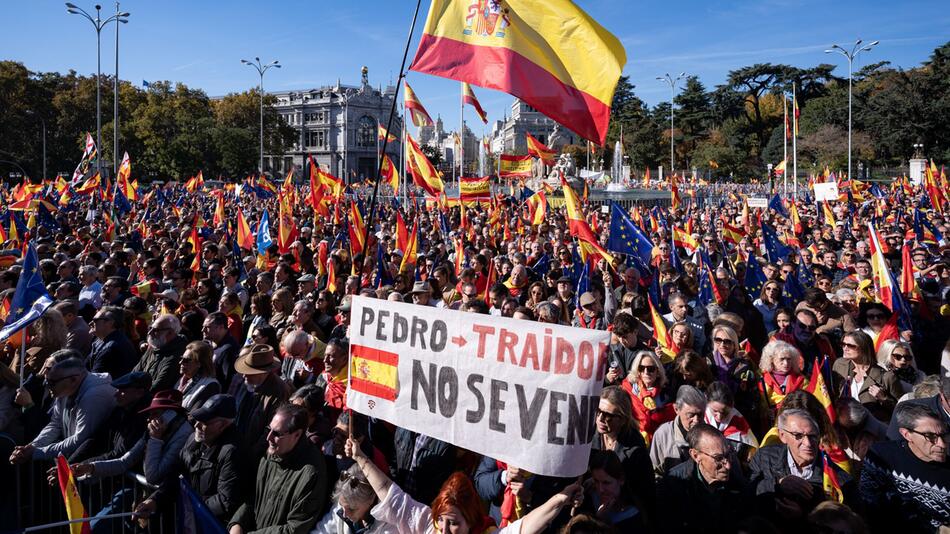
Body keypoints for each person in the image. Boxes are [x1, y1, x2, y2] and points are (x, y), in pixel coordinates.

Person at [345, 436, 584, 534]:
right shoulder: (427, 525)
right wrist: (360, 457)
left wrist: (561, 498)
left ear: (471, 520)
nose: (446, 530)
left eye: (455, 523)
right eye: (443, 520)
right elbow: (389, 492)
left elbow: (525, 528)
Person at [135, 394, 242, 526]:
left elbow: (224, 501)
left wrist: (188, 504)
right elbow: (176, 475)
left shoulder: (232, 452)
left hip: (210, 525)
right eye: (197, 419)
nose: (196, 425)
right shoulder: (194, 439)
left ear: (222, 425)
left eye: (204, 422)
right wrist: (155, 500)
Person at [228, 404, 328, 534]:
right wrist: (237, 523)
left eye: (276, 433)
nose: (268, 437)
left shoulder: (311, 474)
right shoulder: (271, 454)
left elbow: (295, 528)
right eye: (269, 429)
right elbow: (255, 496)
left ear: (297, 434)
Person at [748, 409, 851, 524]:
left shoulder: (840, 481)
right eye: (798, 435)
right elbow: (746, 496)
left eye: (812, 436)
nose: (808, 443)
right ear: (782, 436)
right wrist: (777, 484)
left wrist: (804, 517)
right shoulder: (764, 457)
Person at [8, 355, 116, 464]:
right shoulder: (65, 388)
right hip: (75, 461)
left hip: (94, 466)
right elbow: (56, 424)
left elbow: (79, 440)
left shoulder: (94, 396)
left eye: (52, 383)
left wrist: (36, 452)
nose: (48, 386)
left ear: (73, 379)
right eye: (46, 382)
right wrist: (32, 446)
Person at [860, 403, 949, 532]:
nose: (941, 444)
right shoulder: (881, 457)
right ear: (907, 434)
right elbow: (868, 504)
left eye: (943, 435)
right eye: (930, 436)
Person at [656, 423, 751, 533]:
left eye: (728, 455)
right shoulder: (673, 486)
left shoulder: (735, 474)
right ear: (696, 456)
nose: (727, 465)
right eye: (718, 458)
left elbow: (747, 513)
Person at [589, 386, 655, 520]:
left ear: (623, 419)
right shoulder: (589, 434)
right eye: (598, 411)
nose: (600, 418)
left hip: (624, 511)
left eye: (608, 415)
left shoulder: (635, 448)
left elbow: (644, 490)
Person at [832, 330, 901, 422]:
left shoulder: (886, 377)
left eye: (851, 346)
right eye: (843, 344)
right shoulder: (839, 364)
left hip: (873, 428)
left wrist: (884, 399)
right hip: (844, 423)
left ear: (864, 348)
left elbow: (901, 410)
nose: (845, 348)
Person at [311, 464, 398, 533]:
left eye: (352, 509)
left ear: (371, 500)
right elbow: (322, 531)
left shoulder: (390, 525)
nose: (344, 514)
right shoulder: (345, 504)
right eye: (341, 505)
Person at [649, 385, 706, 477]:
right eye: (691, 415)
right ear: (676, 409)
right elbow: (654, 472)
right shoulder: (663, 435)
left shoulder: (711, 436)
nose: (696, 420)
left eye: (700, 414)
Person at [582, 450, 646, 530]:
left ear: (621, 480)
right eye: (596, 482)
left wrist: (602, 522)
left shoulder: (632, 516)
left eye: (606, 483)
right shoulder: (587, 502)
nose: (601, 489)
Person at [620, 351, 674, 443]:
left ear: (658, 372)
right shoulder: (627, 391)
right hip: (632, 441)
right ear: (638, 371)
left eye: (651, 369)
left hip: (659, 441)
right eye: (641, 368)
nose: (646, 372)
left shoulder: (667, 395)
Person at [133, 313, 188, 392]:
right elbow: (134, 373)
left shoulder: (177, 356)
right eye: (150, 328)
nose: (149, 333)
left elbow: (158, 387)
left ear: (170, 333)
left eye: (155, 330)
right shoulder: (156, 345)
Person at [758, 340, 807, 422]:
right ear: (771, 360)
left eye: (789, 359)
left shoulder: (801, 380)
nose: (786, 363)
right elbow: (759, 404)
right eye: (782, 359)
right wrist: (765, 411)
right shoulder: (761, 379)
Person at [704, 381, 759, 449]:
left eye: (724, 412)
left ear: (732, 406)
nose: (719, 417)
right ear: (707, 402)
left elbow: (752, 450)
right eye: (715, 411)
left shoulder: (739, 423)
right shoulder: (700, 417)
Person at [88, 306, 138, 379]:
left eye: (95, 320)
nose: (90, 323)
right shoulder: (99, 340)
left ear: (110, 323)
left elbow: (96, 378)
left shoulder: (112, 347)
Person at [176, 340, 221, 412]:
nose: (180, 362)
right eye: (181, 358)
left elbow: (195, 416)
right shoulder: (182, 381)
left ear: (199, 363)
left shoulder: (210, 386)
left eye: (186, 360)